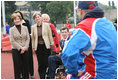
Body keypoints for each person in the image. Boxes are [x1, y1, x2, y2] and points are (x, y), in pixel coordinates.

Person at [62, 1, 117, 79]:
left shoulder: (85, 26)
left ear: (80, 11)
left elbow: (68, 54)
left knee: (69, 77)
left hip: (97, 74)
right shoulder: (109, 24)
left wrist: (73, 72)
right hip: (114, 73)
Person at [31, 12, 54, 79]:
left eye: (38, 17)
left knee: (46, 61)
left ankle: (48, 76)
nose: (37, 18)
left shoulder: (46, 25)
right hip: (38, 46)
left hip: (46, 45)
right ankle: (42, 76)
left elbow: (50, 35)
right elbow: (33, 38)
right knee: (40, 62)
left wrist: (51, 44)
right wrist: (33, 47)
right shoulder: (33, 27)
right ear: (34, 19)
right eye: (36, 17)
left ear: (41, 18)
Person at [14, 10, 34, 79]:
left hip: (27, 43)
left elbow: (29, 33)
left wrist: (25, 46)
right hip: (18, 45)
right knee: (20, 61)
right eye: (16, 15)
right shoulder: (14, 24)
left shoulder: (26, 22)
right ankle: (22, 74)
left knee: (29, 59)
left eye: (19, 15)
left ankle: (31, 73)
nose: (17, 17)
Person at [10, 13, 30, 79]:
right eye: (15, 19)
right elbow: (12, 41)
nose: (17, 20)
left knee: (26, 67)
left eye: (18, 19)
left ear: (20, 19)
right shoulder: (11, 29)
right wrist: (20, 48)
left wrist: (25, 48)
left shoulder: (25, 28)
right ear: (13, 21)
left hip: (25, 49)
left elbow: (28, 38)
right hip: (16, 50)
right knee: (17, 67)